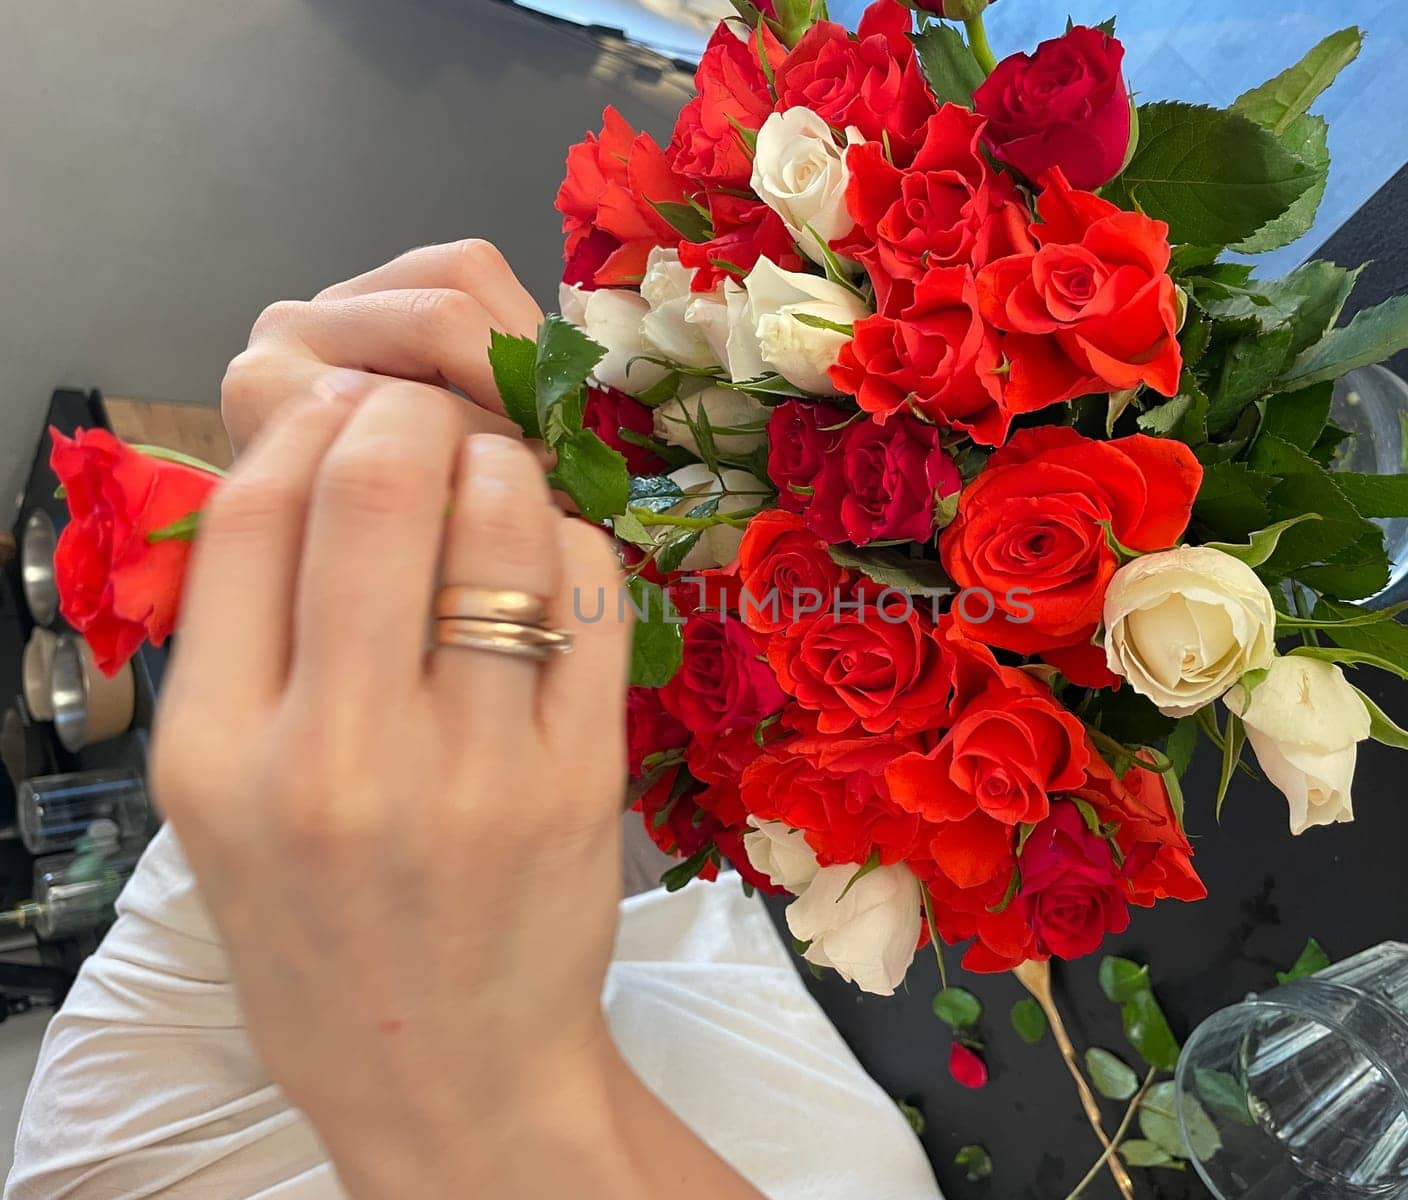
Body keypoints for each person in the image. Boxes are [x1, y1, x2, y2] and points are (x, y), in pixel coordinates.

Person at [6, 242, 942, 1200]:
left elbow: (327, 806)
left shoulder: (110, 1131)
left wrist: (337, 491)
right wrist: (487, 1106)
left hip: (781, 999)